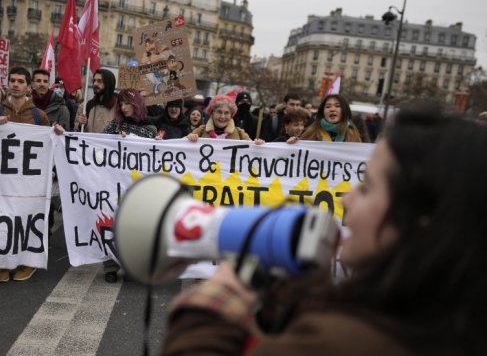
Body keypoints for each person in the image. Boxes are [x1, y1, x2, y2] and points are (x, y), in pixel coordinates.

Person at [161, 103, 487, 355]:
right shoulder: (439, 319)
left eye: (368, 188)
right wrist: (301, 294)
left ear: (421, 217)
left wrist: (220, 295)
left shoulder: (347, 343)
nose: (347, 199)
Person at [0, 67, 50, 282]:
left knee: (26, 220)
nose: (15, 84)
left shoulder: (38, 116)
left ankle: (27, 262)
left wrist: (57, 133)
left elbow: (48, 146)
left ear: (28, 87)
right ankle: (3, 262)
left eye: (20, 81)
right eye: (12, 80)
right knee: (2, 219)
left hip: (28, 181)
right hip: (1, 179)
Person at [102, 88, 157, 282]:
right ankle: (111, 266)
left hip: (138, 185)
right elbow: (98, 146)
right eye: (121, 104)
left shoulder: (150, 129)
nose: (124, 108)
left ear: (137, 104)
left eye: (127, 104)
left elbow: (155, 157)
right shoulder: (114, 126)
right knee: (113, 222)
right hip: (115, 182)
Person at [187, 95, 263, 144]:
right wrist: (189, 139)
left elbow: (253, 151)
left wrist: (258, 145)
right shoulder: (200, 131)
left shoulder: (240, 134)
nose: (222, 117)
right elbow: (181, 145)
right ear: (212, 113)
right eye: (219, 112)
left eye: (226, 113)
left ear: (231, 115)